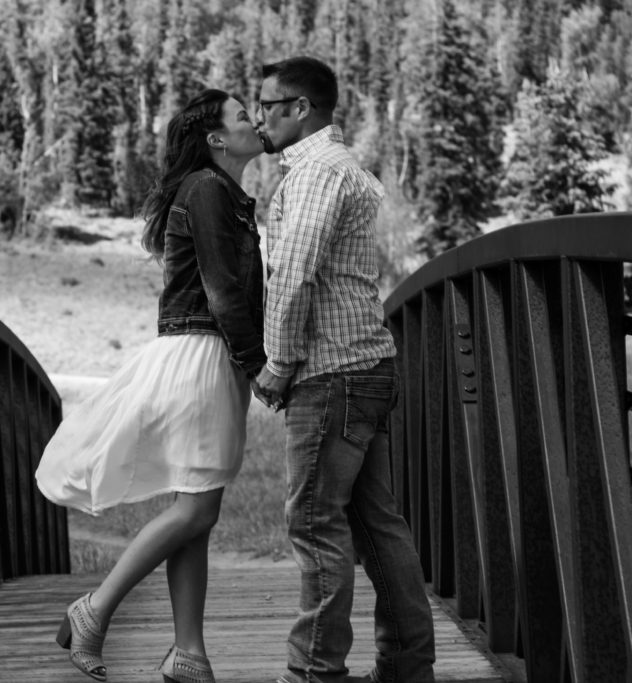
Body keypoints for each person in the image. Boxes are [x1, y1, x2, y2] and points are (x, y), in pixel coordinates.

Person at [35, 88, 266, 683]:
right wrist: (257, 362)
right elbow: (221, 290)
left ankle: (189, 652)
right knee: (196, 509)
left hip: (206, 358)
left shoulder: (221, 192)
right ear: (216, 138)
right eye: (243, 115)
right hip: (203, 359)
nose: (255, 121)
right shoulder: (209, 190)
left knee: (197, 506)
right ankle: (94, 609)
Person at [251, 56, 436, 683]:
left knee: (313, 520)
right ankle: (408, 666)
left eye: (269, 104)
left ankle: (313, 672)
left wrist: (279, 364)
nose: (260, 116)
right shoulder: (340, 166)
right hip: (364, 365)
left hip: (332, 373)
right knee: (376, 522)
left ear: (301, 108)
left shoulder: (314, 173)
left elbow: (296, 272)